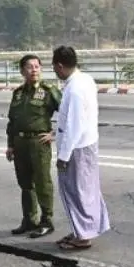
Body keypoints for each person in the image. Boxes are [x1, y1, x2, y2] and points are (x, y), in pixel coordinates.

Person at [52, 45, 110, 250]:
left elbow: (74, 125)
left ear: (59, 66)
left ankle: (83, 236)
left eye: (54, 67)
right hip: (88, 144)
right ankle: (83, 229)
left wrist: (64, 156)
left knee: (75, 192)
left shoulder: (74, 89)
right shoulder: (85, 79)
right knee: (88, 190)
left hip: (77, 148)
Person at [6, 54, 62, 239]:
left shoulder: (48, 90)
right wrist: (10, 145)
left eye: (37, 66)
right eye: (30, 67)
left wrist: (55, 134)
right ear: (22, 71)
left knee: (42, 182)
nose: (34, 70)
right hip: (20, 143)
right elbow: (12, 121)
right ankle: (29, 220)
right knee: (25, 184)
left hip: (39, 143)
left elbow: (68, 112)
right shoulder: (18, 93)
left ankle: (47, 220)